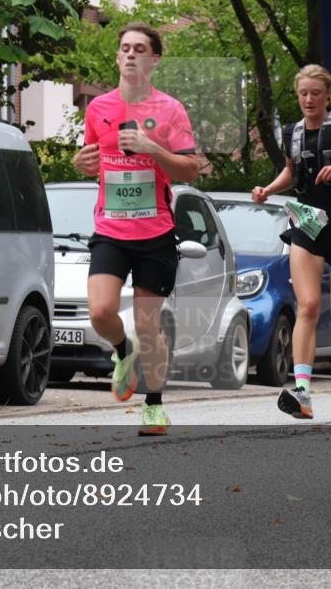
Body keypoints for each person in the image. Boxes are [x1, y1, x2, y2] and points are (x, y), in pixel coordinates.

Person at [72, 22, 200, 436]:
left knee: (149, 325)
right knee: (101, 312)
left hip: (156, 233)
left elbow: (192, 169)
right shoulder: (98, 108)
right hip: (111, 228)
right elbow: (91, 159)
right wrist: (81, 162)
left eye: (139, 49)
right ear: (117, 57)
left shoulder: (171, 110)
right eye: (124, 48)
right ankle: (122, 351)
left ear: (153, 59)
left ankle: (154, 405)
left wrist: (154, 149)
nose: (130, 54)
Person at [251, 64, 331, 419]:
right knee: (307, 305)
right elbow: (292, 172)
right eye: (303, 93)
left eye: (315, 93)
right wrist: (268, 189)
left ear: (326, 95)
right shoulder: (291, 132)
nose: (309, 99)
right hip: (307, 222)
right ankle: (303, 391)